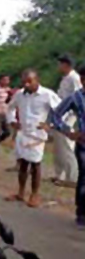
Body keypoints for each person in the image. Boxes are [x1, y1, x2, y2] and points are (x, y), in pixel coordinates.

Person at [5, 69, 61, 208]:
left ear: (37, 80)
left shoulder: (47, 95)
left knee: (35, 165)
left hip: (37, 135)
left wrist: (51, 124)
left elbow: (62, 110)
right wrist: (12, 120)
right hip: (23, 133)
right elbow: (10, 108)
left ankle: (34, 194)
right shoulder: (19, 95)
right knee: (22, 164)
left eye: (30, 81)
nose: (27, 84)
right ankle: (20, 193)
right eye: (24, 82)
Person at [50, 64, 85, 227]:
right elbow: (56, 115)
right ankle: (81, 214)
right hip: (83, 144)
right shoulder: (76, 98)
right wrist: (69, 132)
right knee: (84, 178)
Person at [51, 55, 81, 187]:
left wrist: (71, 117)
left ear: (67, 65)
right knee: (59, 147)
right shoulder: (65, 78)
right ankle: (60, 175)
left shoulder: (74, 78)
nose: (59, 67)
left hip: (69, 115)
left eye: (61, 64)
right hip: (60, 114)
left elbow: (77, 97)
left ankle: (72, 177)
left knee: (67, 146)